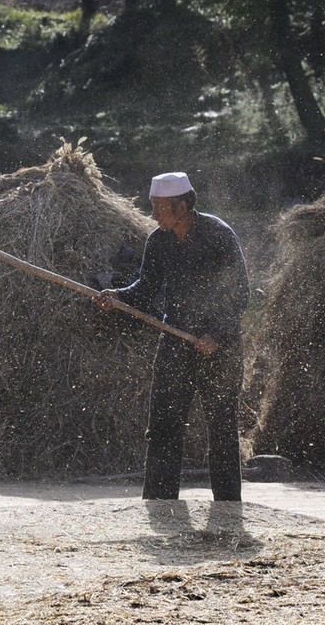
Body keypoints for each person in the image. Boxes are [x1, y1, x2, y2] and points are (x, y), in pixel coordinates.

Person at [94, 172, 249, 501]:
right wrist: (119, 296)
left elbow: (240, 294)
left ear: (181, 206)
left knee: (221, 426)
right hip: (176, 338)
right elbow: (146, 289)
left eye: (158, 207)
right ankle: (160, 502)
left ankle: (227, 505)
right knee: (164, 423)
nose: (153, 215)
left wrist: (216, 335)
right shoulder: (158, 241)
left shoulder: (219, 235)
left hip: (221, 346)